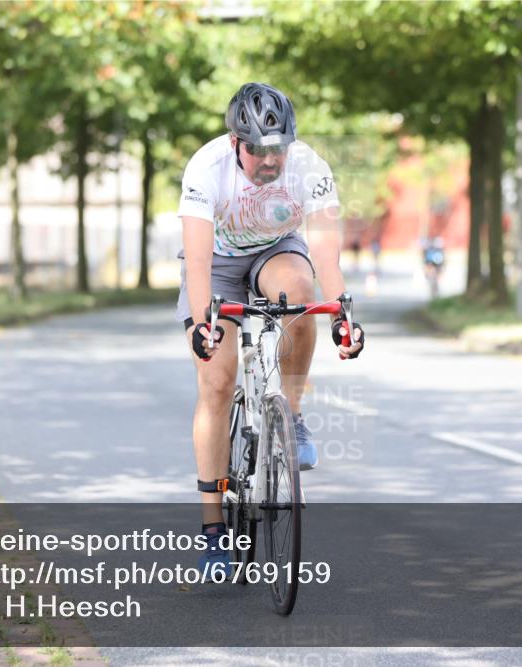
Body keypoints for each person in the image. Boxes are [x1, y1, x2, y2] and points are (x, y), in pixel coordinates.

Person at [175, 82, 365, 576]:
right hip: (216, 263)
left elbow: (326, 254)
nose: (268, 161)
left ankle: (293, 415)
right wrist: (201, 324)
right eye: (257, 149)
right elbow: (196, 258)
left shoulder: (309, 168)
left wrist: (344, 315)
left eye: (277, 149)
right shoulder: (206, 167)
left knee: (302, 295)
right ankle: (213, 530)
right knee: (216, 382)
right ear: (235, 141)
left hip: (274, 250)